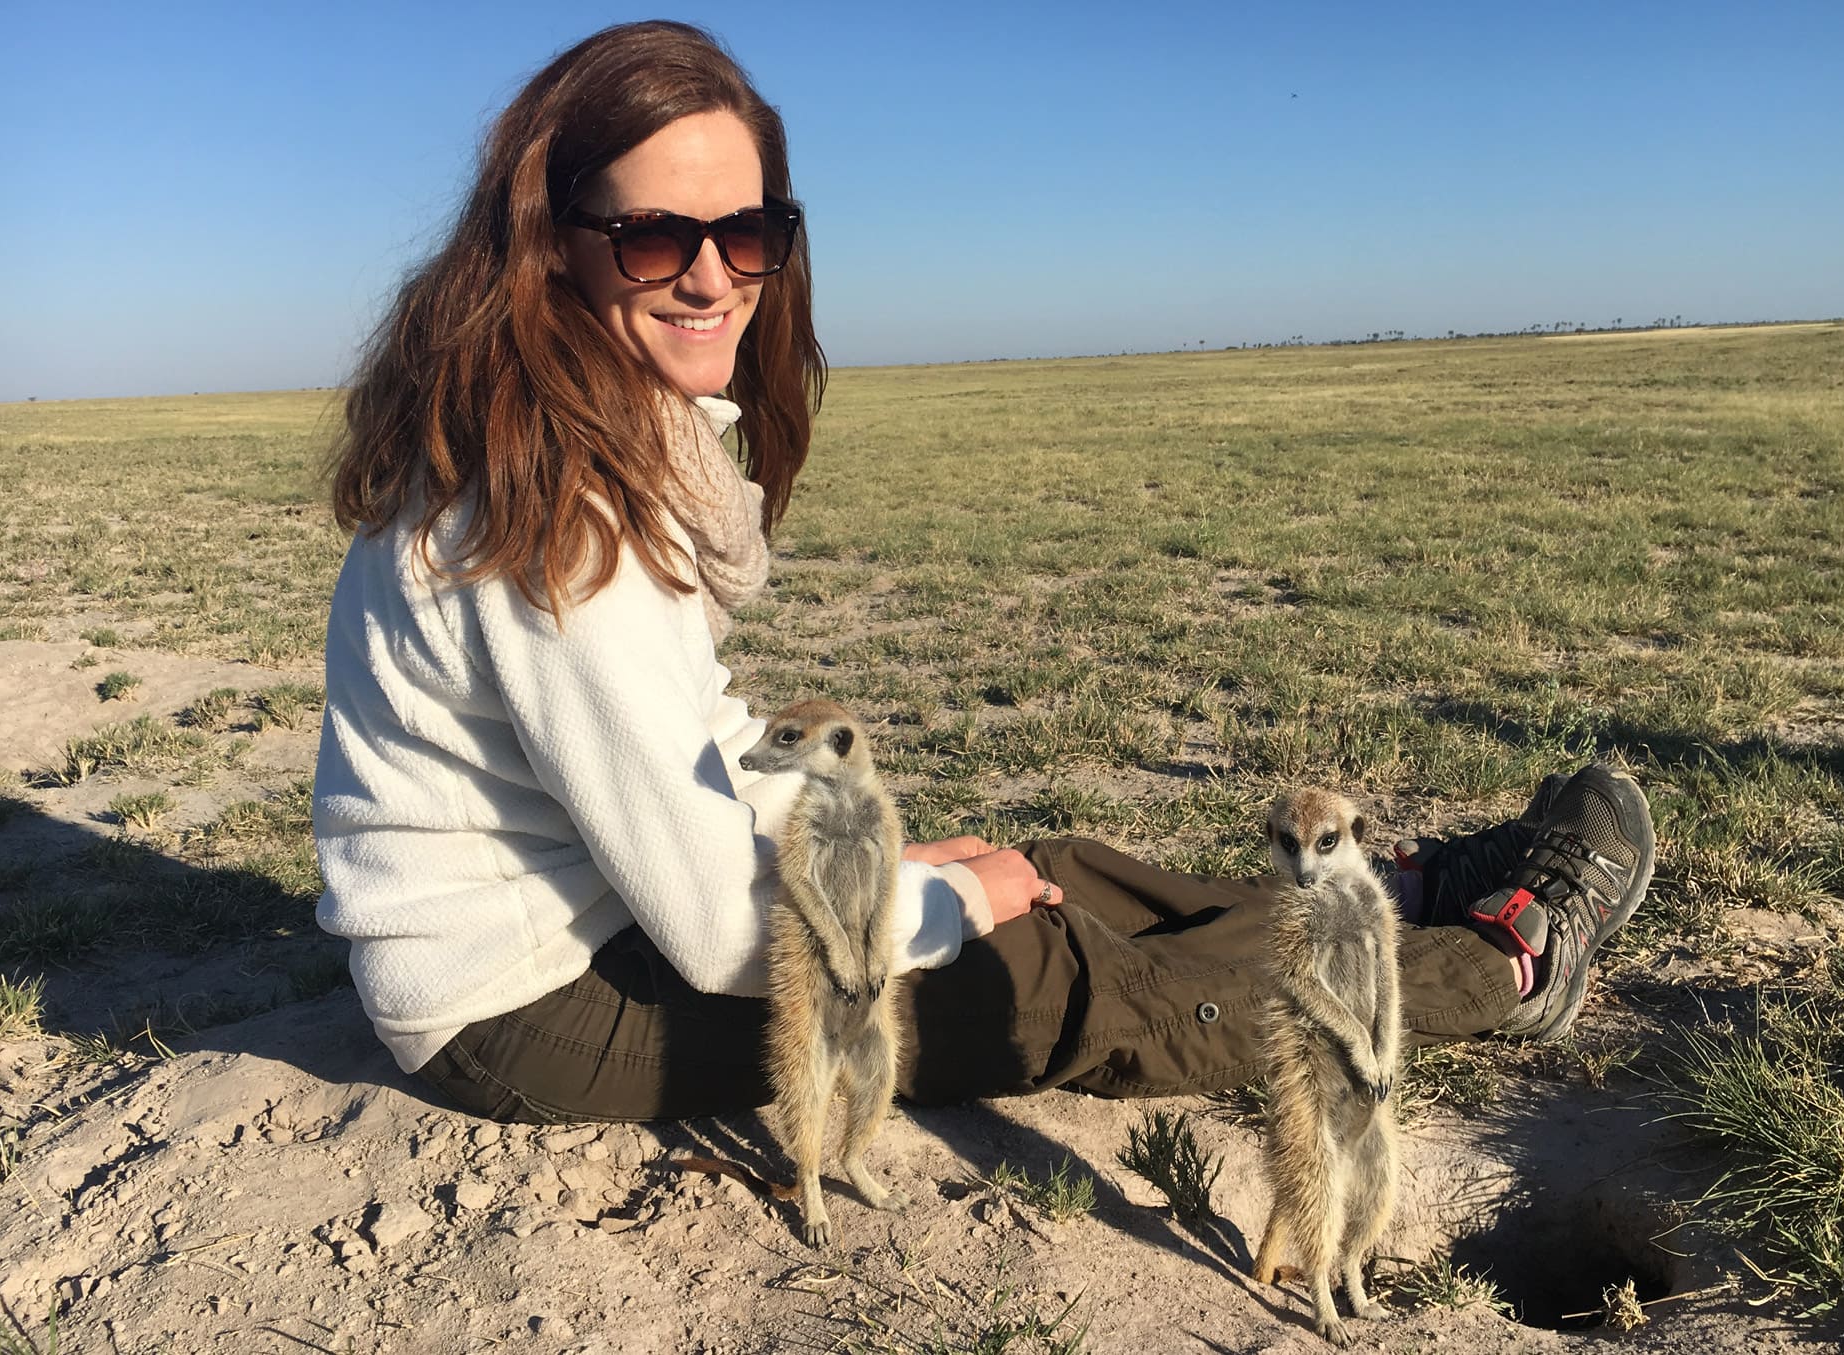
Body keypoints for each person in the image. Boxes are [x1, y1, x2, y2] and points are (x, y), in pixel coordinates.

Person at [313, 21, 1655, 1123]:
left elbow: (686, 748)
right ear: (553, 241)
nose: (715, 278)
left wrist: (907, 873)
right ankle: (1501, 965)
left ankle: (1397, 896)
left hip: (598, 916)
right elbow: (725, 931)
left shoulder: (565, 431)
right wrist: (935, 905)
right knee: (1043, 974)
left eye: (750, 234)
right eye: (659, 239)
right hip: (524, 1008)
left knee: (1051, 869)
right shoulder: (554, 520)